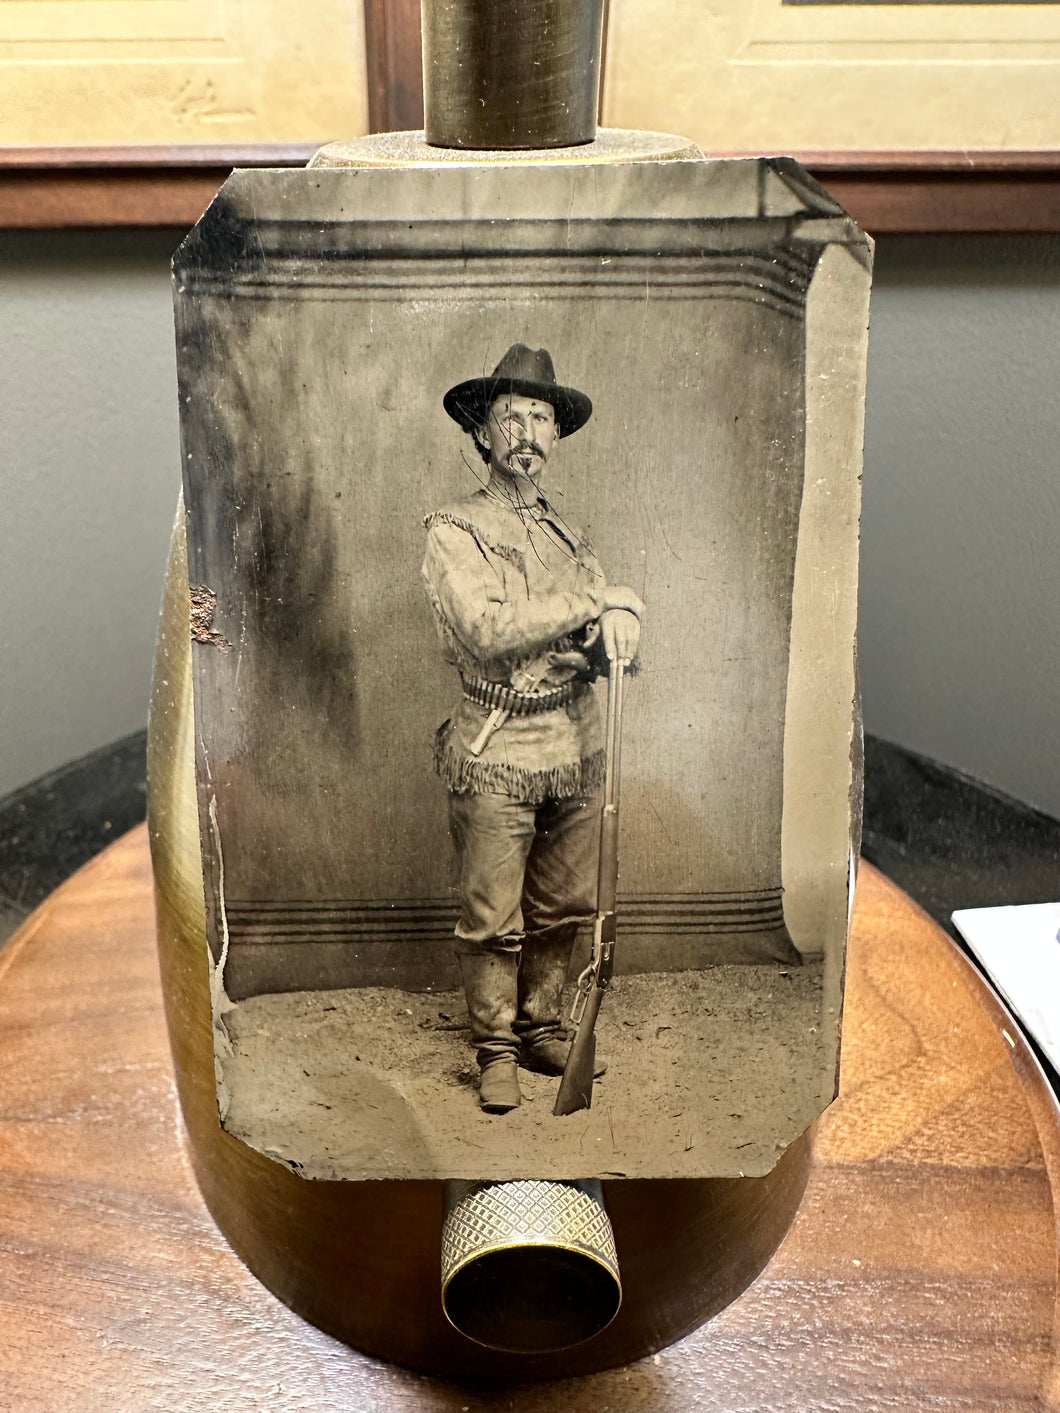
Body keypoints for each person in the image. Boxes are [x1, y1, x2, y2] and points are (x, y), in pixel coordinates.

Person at [422, 343, 643, 1113]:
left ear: (556, 435)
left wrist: (617, 633)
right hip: (496, 742)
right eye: (511, 414)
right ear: (482, 433)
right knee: (492, 911)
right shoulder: (455, 529)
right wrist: (598, 602)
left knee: (565, 901)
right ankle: (494, 1046)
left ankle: (545, 1023)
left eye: (542, 417)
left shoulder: (567, 535)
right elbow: (487, 630)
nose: (527, 431)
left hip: (574, 741)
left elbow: (590, 629)